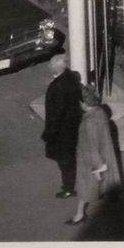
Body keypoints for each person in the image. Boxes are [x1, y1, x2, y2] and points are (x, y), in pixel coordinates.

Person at [66, 86, 122, 227]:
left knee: (84, 187)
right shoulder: (100, 112)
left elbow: (92, 146)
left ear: (84, 103)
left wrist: (97, 167)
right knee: (102, 185)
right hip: (104, 154)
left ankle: (79, 215)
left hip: (89, 160)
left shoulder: (89, 121)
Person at [42, 54, 82, 200]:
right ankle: (68, 185)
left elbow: (56, 114)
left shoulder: (56, 87)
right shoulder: (71, 79)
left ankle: (68, 188)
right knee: (68, 158)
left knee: (65, 161)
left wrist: (49, 133)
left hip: (62, 131)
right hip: (72, 126)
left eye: (51, 65)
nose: (49, 67)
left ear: (55, 68)